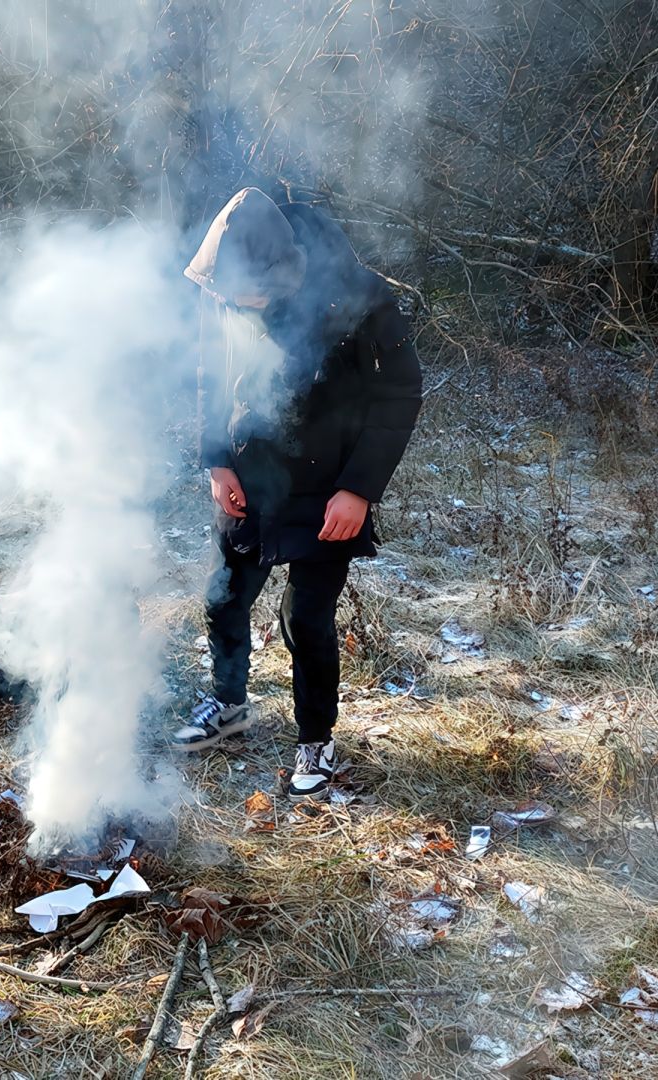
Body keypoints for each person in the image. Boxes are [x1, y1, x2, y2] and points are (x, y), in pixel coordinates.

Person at [171, 188, 422, 799]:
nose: (234, 304)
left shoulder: (358, 296)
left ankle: (316, 740)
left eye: (246, 295)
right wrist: (216, 461)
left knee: (303, 617)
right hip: (250, 472)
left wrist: (358, 489)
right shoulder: (221, 286)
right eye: (226, 295)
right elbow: (209, 370)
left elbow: (400, 394)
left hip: (328, 483)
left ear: (283, 272)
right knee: (225, 597)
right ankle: (229, 705)